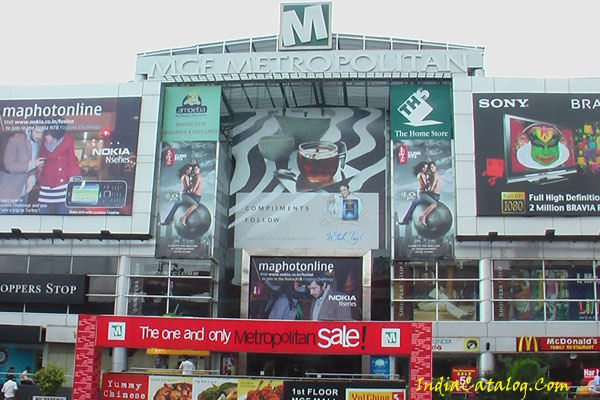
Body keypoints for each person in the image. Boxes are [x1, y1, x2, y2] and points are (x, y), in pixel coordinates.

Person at [37, 123, 81, 214]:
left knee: (62, 217)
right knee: (42, 217)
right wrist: (38, 172)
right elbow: (39, 163)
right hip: (46, 186)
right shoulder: (42, 144)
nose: (48, 138)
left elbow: (72, 162)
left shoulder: (67, 143)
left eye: (52, 136)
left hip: (62, 187)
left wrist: (74, 181)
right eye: (47, 135)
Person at [0, 125, 46, 204]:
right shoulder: (15, 140)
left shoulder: (38, 143)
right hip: (7, 192)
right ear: (30, 130)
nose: (39, 136)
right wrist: (32, 164)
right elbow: (9, 166)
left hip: (23, 193)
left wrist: (32, 177)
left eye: (42, 133)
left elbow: (33, 166)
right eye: (37, 132)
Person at [419, 161, 441, 226]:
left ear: (435, 167)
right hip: (433, 195)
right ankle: (423, 216)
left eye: (432, 167)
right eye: (430, 168)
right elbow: (431, 188)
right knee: (434, 204)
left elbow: (431, 188)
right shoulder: (433, 175)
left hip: (434, 195)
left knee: (434, 204)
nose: (431, 169)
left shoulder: (434, 175)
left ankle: (423, 216)